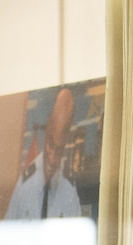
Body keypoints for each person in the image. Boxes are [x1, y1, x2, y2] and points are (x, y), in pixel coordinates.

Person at [6, 88, 84, 221]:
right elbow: (5, 234)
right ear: (47, 130)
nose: (53, 158)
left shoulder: (69, 191)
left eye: (59, 150)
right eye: (51, 145)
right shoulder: (25, 183)